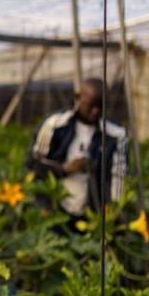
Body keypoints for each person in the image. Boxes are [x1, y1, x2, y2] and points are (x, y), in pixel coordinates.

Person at [26, 77, 127, 219]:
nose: (95, 111)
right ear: (77, 98)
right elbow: (33, 163)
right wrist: (64, 169)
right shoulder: (54, 125)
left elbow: (118, 175)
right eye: (90, 105)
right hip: (55, 211)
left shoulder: (115, 134)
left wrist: (113, 207)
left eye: (100, 106)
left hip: (93, 214)